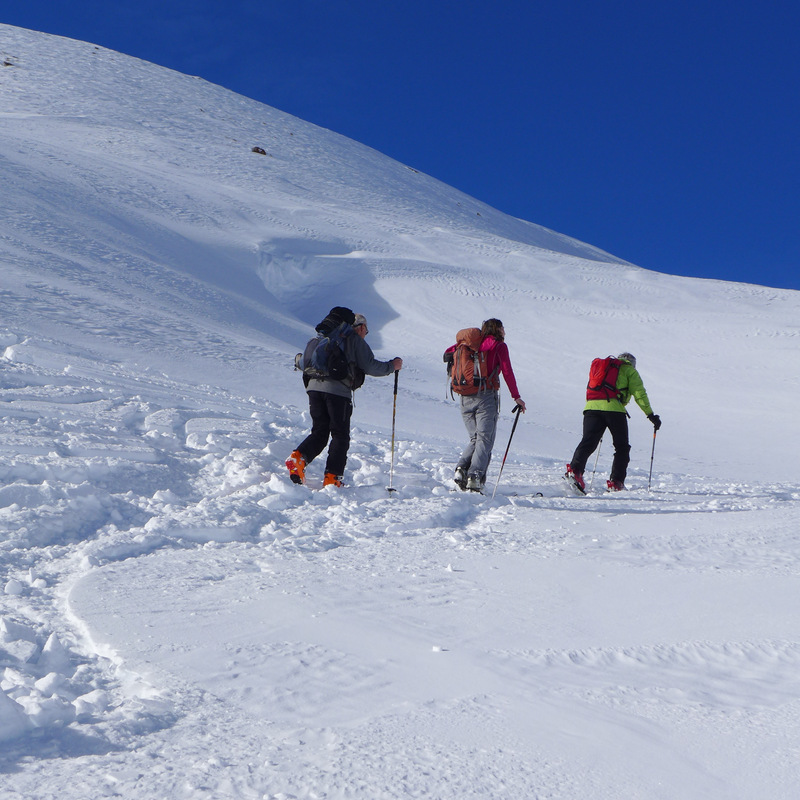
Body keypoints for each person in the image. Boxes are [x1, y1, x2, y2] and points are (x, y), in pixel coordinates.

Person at [287, 307, 403, 487]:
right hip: (337, 393)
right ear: (361, 327)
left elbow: (302, 361)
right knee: (340, 435)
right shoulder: (353, 340)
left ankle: (297, 458)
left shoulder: (320, 339)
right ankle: (333, 478)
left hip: (314, 390)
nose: (366, 333)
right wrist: (392, 366)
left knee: (320, 432)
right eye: (366, 330)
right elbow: (370, 366)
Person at [448, 318, 526, 492]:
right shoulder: (498, 346)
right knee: (484, 438)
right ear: (497, 329)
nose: (505, 331)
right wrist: (516, 396)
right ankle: (475, 476)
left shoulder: (467, 345)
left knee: (475, 438)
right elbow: (507, 371)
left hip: (464, 396)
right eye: (503, 327)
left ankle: (461, 470)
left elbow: (448, 355)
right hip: (485, 397)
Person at [566, 352, 661, 492]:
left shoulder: (604, 368)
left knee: (588, 441)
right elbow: (640, 394)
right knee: (621, 447)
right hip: (614, 410)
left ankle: (575, 471)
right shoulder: (630, 371)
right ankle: (616, 482)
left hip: (591, 407)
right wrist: (650, 415)